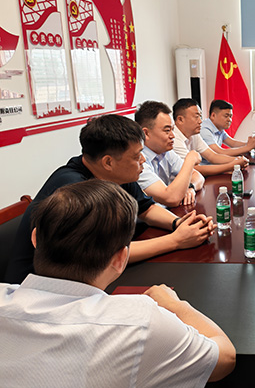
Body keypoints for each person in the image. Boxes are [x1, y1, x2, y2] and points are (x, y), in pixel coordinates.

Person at [0, 180, 235, 386]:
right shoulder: (139, 323)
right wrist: (175, 305)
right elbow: (225, 358)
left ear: (35, 239)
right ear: (121, 258)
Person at [5, 114, 215, 285]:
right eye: (137, 156)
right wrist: (176, 241)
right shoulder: (73, 190)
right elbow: (104, 254)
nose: (143, 160)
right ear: (108, 162)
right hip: (39, 288)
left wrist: (179, 224)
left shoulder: (116, 173)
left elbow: (146, 208)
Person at [135, 101, 205, 207]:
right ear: (146, 133)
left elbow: (197, 176)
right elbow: (171, 198)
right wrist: (190, 159)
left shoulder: (165, 152)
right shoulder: (137, 160)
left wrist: (190, 187)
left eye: (173, 129)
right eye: (167, 130)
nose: (173, 136)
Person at [171, 98, 249, 176]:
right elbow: (193, 169)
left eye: (200, 117)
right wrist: (231, 165)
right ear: (180, 119)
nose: (200, 121)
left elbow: (212, 156)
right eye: (196, 117)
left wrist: (236, 160)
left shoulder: (194, 134)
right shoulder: (173, 139)